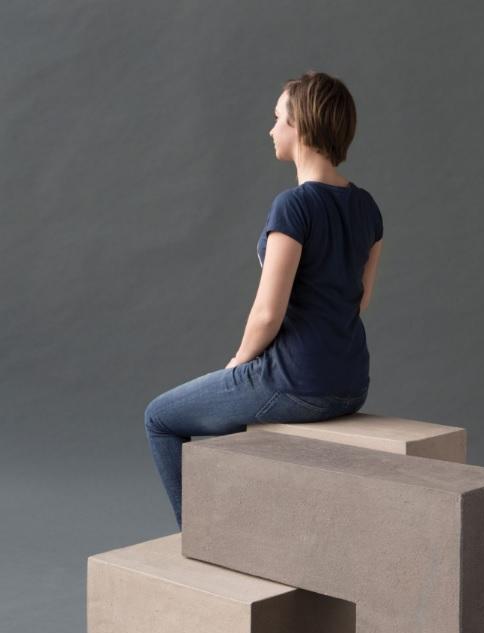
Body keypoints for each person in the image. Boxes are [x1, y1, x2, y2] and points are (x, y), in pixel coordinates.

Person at [144, 70, 384, 530]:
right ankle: (250, 532)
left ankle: (200, 541)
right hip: (352, 385)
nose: (271, 129)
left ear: (301, 126)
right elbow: (360, 301)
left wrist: (238, 363)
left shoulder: (293, 206)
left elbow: (268, 313)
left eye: (278, 118)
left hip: (296, 383)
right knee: (229, 421)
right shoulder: (368, 208)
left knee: (160, 419)